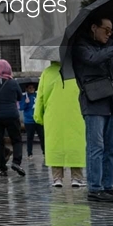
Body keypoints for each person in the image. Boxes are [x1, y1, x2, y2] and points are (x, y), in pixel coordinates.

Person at [72, 16, 113, 203]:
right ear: (93, 27)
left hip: (110, 101)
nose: (109, 34)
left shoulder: (107, 44)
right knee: (96, 147)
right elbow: (93, 59)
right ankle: (95, 188)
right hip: (93, 102)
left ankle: (109, 187)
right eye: (106, 29)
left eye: (111, 31)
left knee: (110, 148)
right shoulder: (81, 46)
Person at [34, 59, 86, 188]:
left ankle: (57, 178)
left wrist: (38, 117)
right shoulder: (77, 70)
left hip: (53, 114)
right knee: (76, 144)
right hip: (76, 113)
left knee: (55, 145)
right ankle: (77, 178)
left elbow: (40, 96)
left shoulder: (47, 73)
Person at [0, 60, 24, 177]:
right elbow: (19, 97)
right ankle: (16, 162)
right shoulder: (13, 83)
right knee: (16, 139)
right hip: (12, 115)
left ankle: (2, 167)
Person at [21, 83, 45, 161]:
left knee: (42, 137)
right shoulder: (24, 97)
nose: (31, 89)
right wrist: (25, 103)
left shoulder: (38, 96)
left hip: (38, 120)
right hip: (29, 121)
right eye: (30, 88)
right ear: (27, 89)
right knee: (29, 138)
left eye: (33, 88)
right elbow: (21, 107)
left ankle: (45, 152)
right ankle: (29, 154)